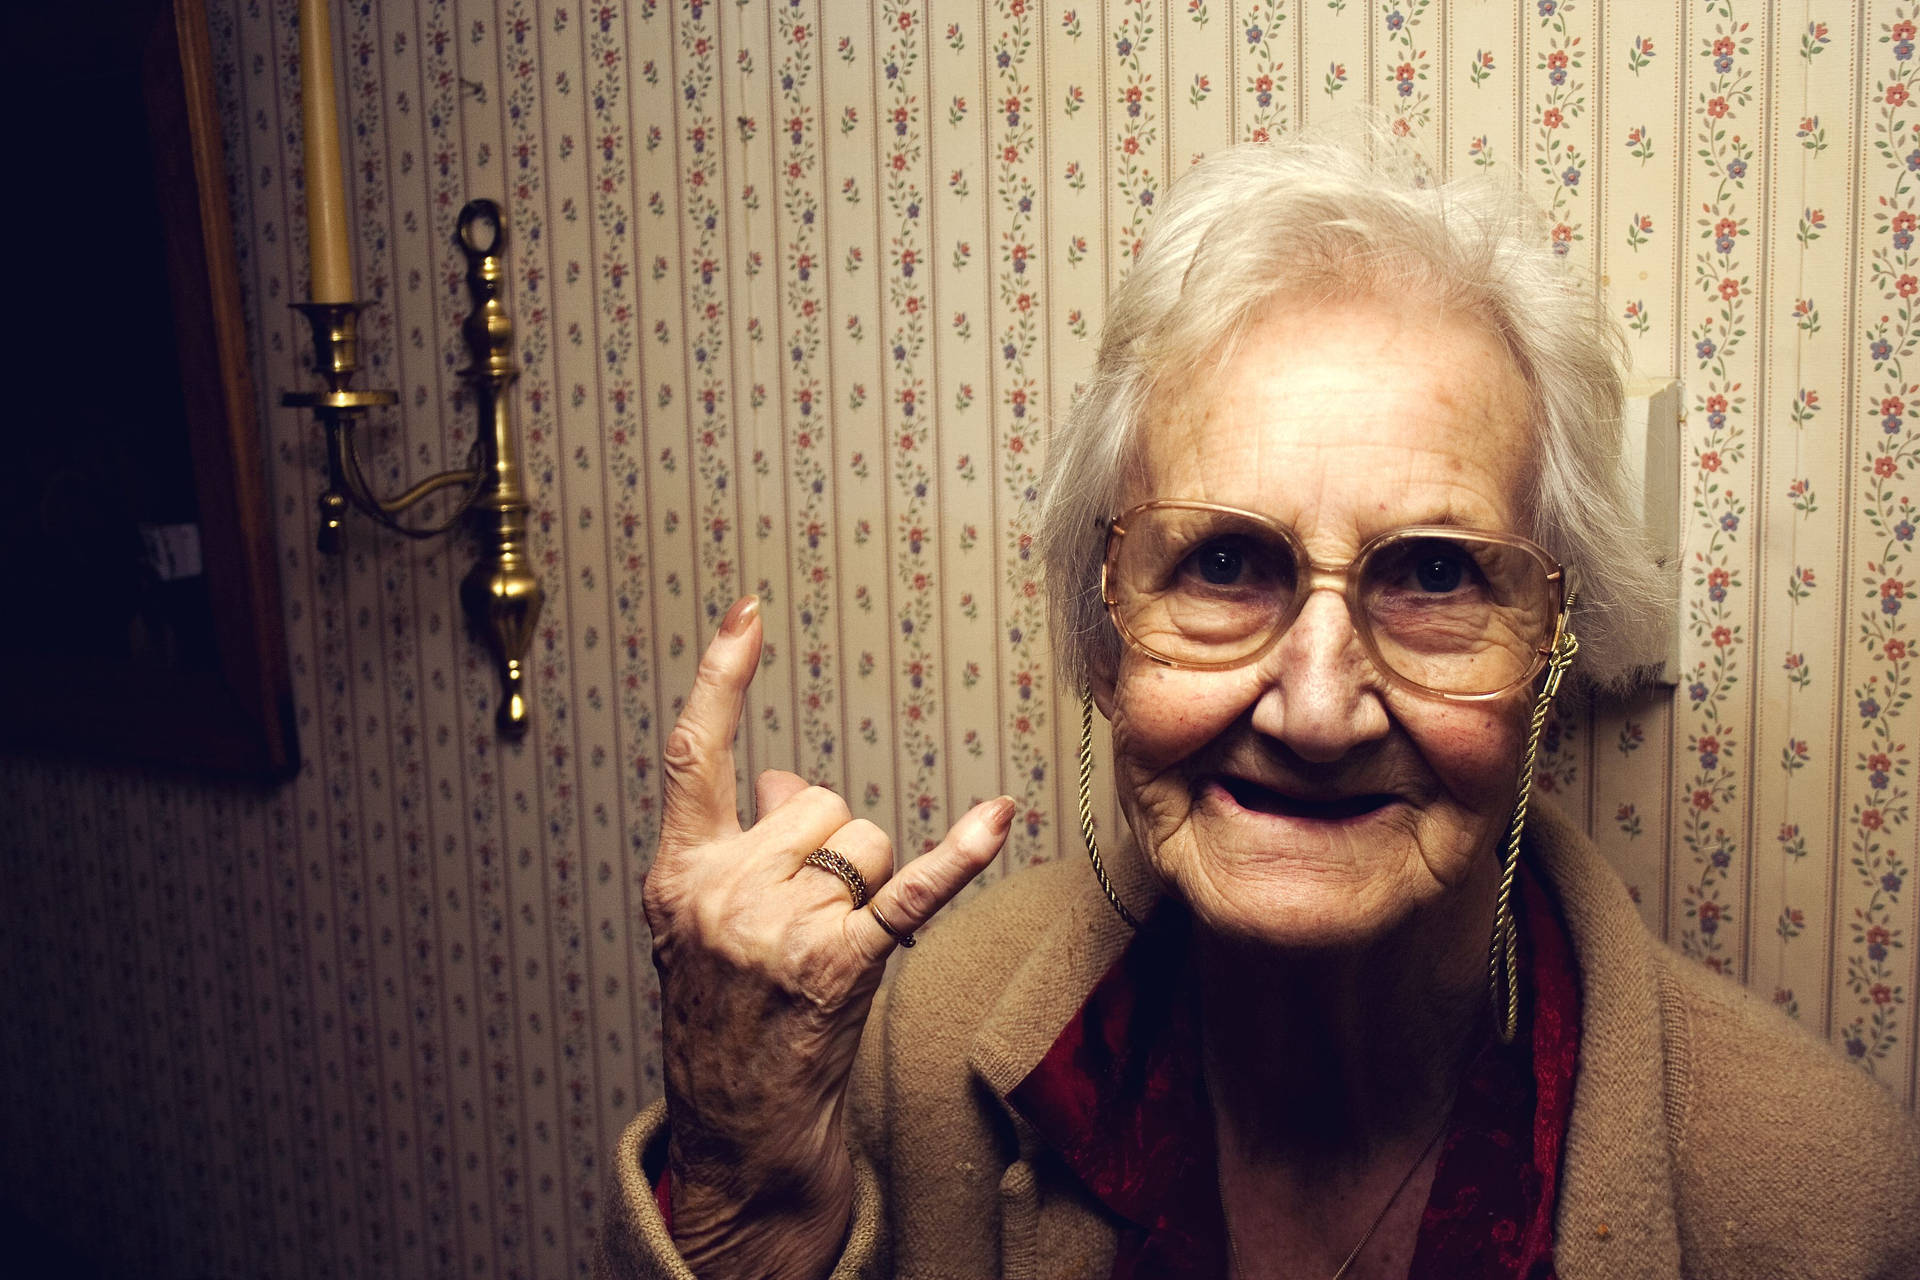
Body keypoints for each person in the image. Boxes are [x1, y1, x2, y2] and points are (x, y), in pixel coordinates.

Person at [601, 133, 1920, 1280]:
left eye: (1433, 573)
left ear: (1550, 657)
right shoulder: (913, 1054)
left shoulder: (1823, 1202)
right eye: (1225, 563)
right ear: (1103, 631)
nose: (1318, 707)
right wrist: (742, 1199)